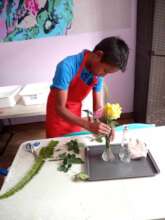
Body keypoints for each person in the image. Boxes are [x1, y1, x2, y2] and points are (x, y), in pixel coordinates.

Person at [46, 36, 129, 138]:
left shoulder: (98, 74)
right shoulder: (66, 67)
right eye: (105, 71)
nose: (103, 75)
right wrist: (88, 125)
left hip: (76, 114)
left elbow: (97, 108)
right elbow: (60, 108)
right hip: (58, 116)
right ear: (98, 55)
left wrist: (106, 123)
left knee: (73, 142)